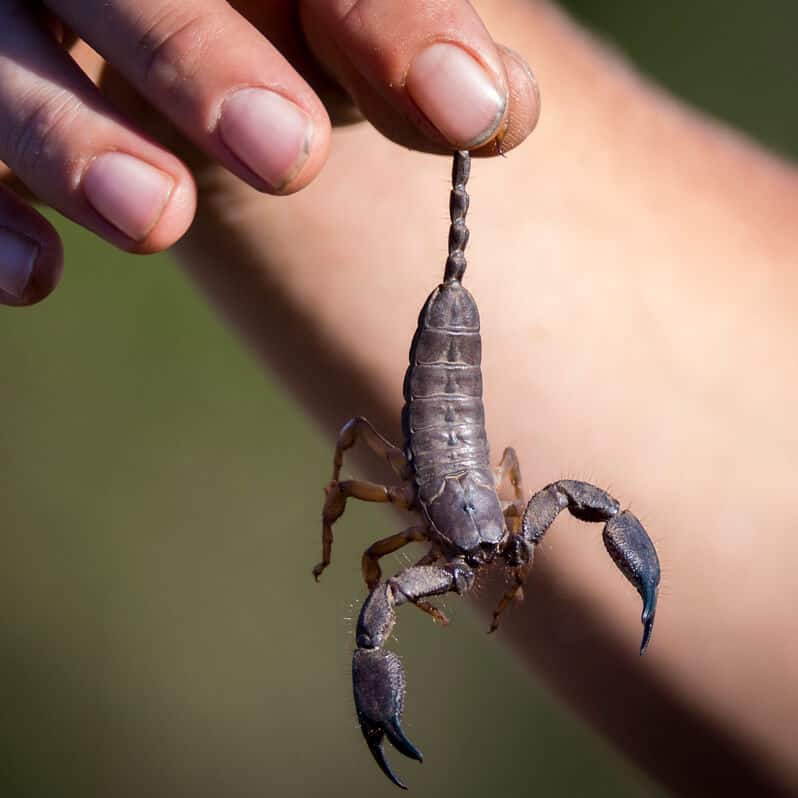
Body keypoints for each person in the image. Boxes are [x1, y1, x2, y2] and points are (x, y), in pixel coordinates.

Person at [2, 2, 796, 796]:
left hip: (453, 410)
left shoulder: (475, 546)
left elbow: (508, 517)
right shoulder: (455, 541)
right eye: (495, 567)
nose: (490, 569)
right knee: (379, 470)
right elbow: (417, 543)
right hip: (443, 405)